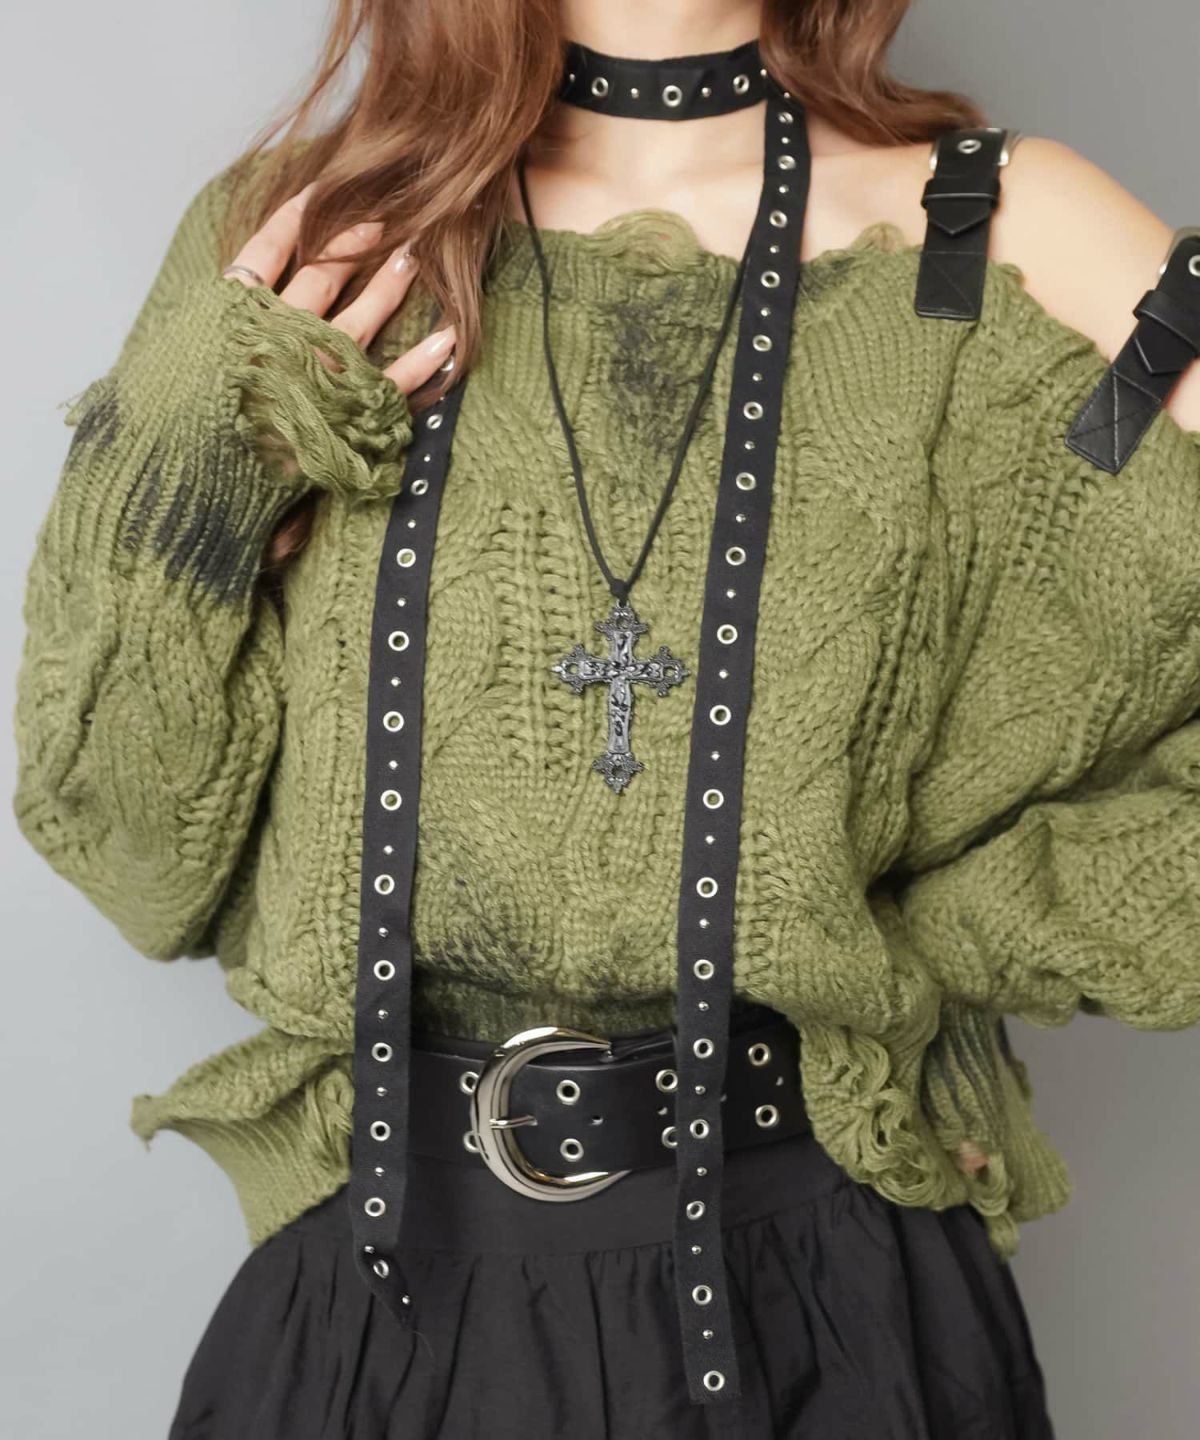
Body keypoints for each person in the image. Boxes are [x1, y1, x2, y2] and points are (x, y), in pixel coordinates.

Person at [12, 0, 1200, 1436]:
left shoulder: (1007, 235)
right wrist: (195, 472)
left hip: (832, 1307)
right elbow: (133, 857)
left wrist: (919, 945)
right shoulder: (312, 236)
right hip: (373, 1302)